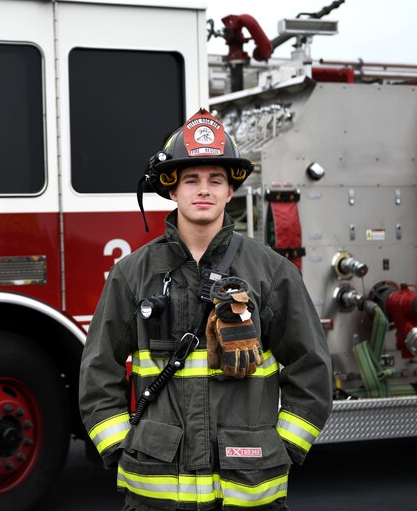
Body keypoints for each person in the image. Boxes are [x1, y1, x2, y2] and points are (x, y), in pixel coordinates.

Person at [79, 108, 332, 511]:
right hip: (155, 492)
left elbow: (312, 367)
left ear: (230, 191)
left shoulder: (270, 273)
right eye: (191, 180)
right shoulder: (132, 275)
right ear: (172, 190)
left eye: (216, 180)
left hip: (247, 489)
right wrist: (120, 447)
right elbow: (98, 369)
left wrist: (279, 447)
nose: (204, 190)